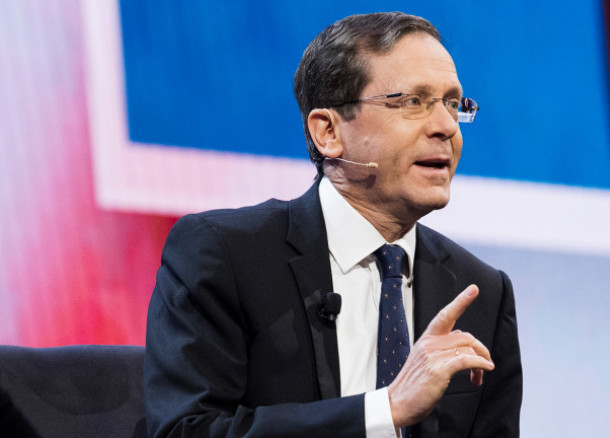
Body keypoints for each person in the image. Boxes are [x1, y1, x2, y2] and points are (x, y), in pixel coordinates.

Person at [145, 11, 522, 437]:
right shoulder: (225, 257)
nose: (446, 127)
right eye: (413, 102)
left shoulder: (480, 291)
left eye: (452, 104)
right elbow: (186, 431)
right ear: (328, 132)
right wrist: (385, 411)